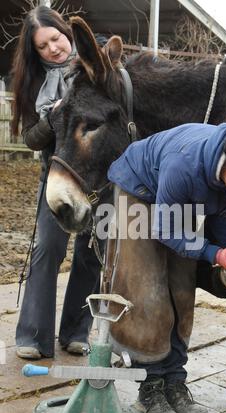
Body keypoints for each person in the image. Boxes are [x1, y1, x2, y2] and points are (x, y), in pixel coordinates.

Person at [107, 122, 226, 413]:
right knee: (150, 287)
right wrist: (213, 254)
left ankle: (175, 381)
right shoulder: (184, 164)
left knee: (181, 286)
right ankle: (150, 389)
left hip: (179, 198)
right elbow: (165, 230)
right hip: (139, 191)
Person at [11, 6, 101, 359]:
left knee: (91, 252)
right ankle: (33, 335)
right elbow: (32, 138)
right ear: (35, 52)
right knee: (48, 248)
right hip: (59, 174)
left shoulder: (94, 66)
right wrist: (54, 114)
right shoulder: (34, 83)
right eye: (42, 46)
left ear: (65, 31)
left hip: (97, 174)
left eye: (56, 38)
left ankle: (76, 332)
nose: (53, 48)